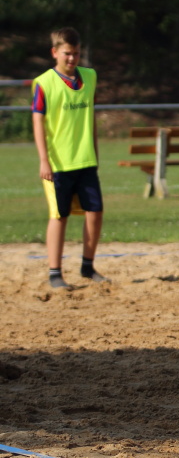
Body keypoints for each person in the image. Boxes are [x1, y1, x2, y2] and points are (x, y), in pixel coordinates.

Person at [31, 26, 107, 291]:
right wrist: (44, 159)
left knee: (95, 212)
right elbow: (38, 122)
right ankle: (55, 273)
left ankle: (88, 267)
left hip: (85, 159)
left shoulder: (90, 77)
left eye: (76, 53)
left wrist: (94, 150)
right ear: (55, 53)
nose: (72, 58)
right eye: (67, 53)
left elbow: (91, 117)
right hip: (58, 163)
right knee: (59, 215)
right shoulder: (44, 83)